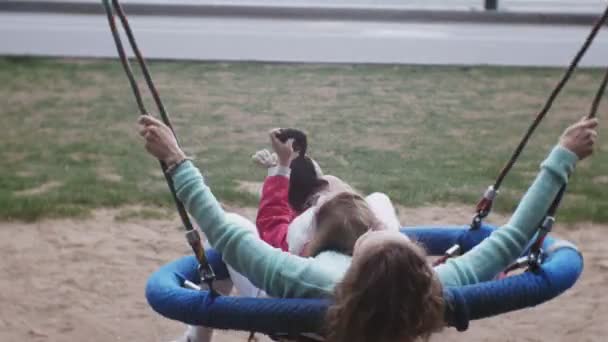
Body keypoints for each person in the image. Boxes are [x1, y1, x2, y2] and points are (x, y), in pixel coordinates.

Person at [138, 115, 598, 342]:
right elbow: (515, 237)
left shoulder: (312, 280)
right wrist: (563, 154)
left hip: (293, 327)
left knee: (235, 236)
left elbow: (229, 235)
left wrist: (176, 160)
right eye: (385, 228)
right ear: (421, 263)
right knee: (373, 201)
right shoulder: (433, 289)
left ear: (350, 266)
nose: (379, 227)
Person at [253, 128, 401, 256]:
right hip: (375, 243)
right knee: (379, 198)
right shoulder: (336, 192)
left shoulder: (302, 231)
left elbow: (271, 226)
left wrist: (280, 171)